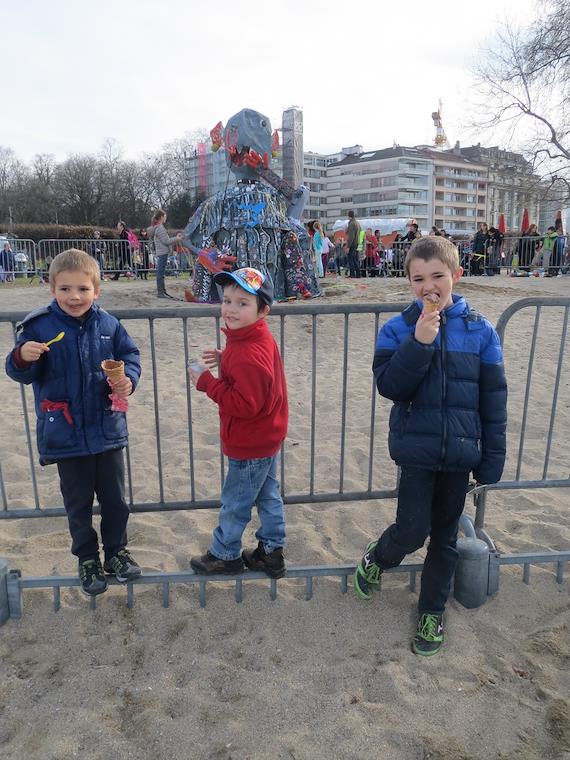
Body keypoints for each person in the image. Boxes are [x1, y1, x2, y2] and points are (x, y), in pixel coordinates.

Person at [353, 236, 507, 656]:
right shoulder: (397, 329)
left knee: (444, 540)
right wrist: (419, 342)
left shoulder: (480, 331)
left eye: (437, 276)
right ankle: (378, 558)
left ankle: (432, 612)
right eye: (418, 279)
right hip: (416, 453)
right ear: (409, 282)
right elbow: (391, 386)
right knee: (411, 530)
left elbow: (494, 399)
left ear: (456, 275)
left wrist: (492, 458)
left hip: (459, 454)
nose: (428, 286)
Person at [5, 249, 142, 596]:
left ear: (97, 290)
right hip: (65, 433)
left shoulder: (109, 325)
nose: (74, 297)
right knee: (78, 504)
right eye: (65, 289)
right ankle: (87, 558)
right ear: (52, 288)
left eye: (82, 289)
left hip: (107, 430)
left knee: (115, 500)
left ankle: (117, 552)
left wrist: (128, 379)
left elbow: (130, 355)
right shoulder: (38, 327)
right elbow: (20, 373)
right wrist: (22, 357)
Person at [188, 267, 288, 579]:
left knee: (236, 501)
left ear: (263, 310)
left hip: (250, 441)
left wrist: (207, 383)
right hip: (267, 435)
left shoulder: (247, 352)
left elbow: (246, 404)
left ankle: (225, 554)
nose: (231, 309)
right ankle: (271, 551)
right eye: (227, 300)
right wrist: (226, 359)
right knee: (268, 495)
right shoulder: (253, 337)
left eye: (242, 303)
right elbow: (255, 376)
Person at [147, 209, 181, 298]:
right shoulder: (160, 228)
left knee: (160, 273)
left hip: (161, 252)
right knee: (160, 273)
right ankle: (161, 292)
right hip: (163, 252)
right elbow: (166, 241)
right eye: (165, 216)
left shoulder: (157, 227)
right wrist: (176, 238)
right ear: (161, 217)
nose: (166, 218)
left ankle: (162, 291)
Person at [346, 210, 361, 278]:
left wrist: (348, 246)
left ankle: (352, 274)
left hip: (352, 244)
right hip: (357, 243)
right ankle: (358, 273)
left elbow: (351, 236)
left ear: (349, 216)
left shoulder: (351, 224)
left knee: (351, 259)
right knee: (355, 259)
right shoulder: (357, 223)